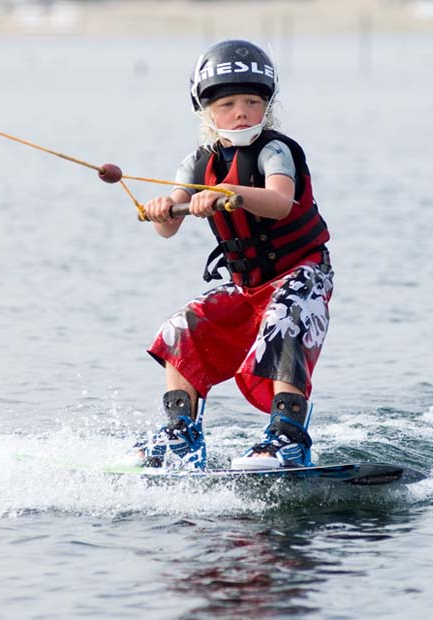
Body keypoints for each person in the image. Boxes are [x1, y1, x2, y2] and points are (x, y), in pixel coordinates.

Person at [134, 40, 333, 471]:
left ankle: (288, 438)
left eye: (252, 101)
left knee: (285, 319)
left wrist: (229, 193)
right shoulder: (195, 163)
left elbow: (280, 202)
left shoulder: (276, 151)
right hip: (246, 286)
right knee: (180, 329)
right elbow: (169, 227)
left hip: (302, 275)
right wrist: (160, 211)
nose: (241, 111)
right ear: (207, 112)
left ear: (267, 106)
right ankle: (180, 437)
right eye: (227, 103)